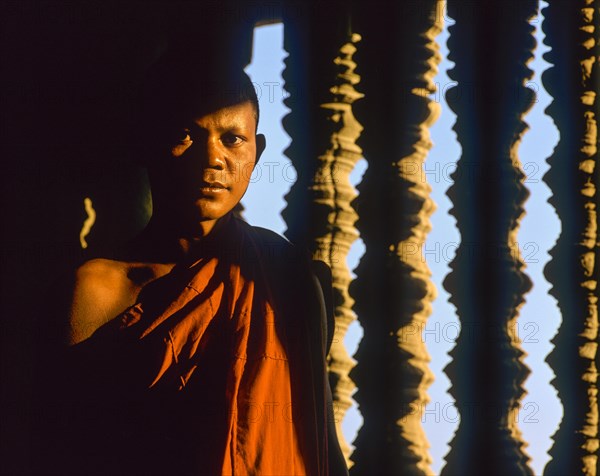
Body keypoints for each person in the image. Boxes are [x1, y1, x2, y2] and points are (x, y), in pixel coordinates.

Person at [35, 61, 348, 476]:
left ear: (258, 152)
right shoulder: (97, 290)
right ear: (148, 145)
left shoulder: (287, 276)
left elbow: (320, 440)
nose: (212, 158)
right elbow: (65, 449)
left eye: (233, 139)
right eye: (186, 135)